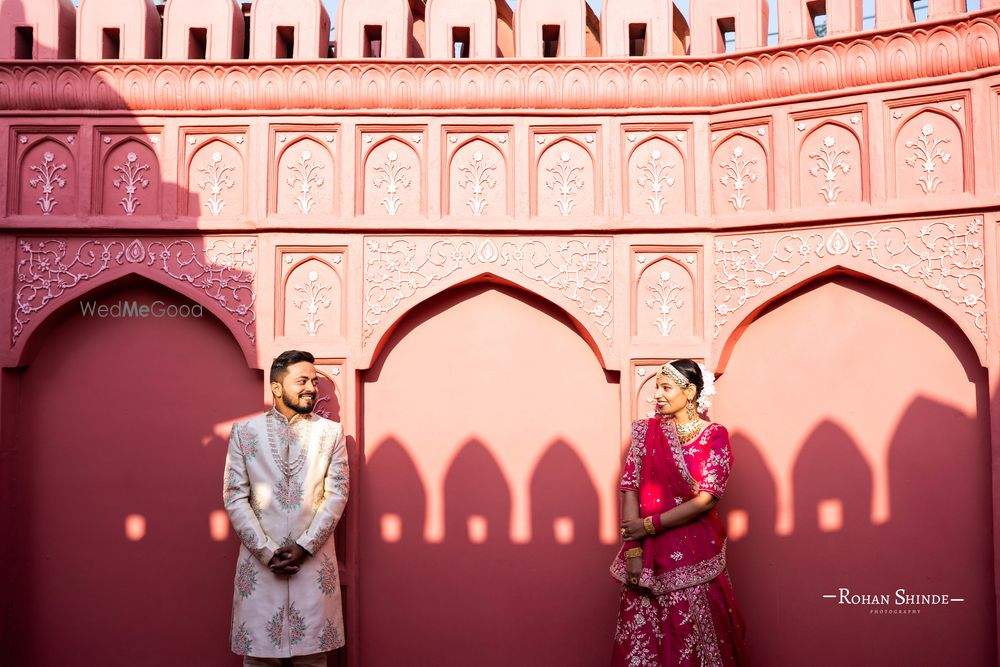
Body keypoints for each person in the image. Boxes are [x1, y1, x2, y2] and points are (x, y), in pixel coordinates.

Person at [610, 359, 747, 666]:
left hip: (694, 552)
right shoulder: (646, 434)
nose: (656, 394)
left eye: (665, 387)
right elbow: (630, 484)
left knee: (694, 635)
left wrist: (648, 526)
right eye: (656, 387)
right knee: (644, 638)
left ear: (689, 392)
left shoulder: (713, 435)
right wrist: (633, 550)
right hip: (647, 558)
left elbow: (708, 498)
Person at [224, 350, 350, 666]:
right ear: (277, 388)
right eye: (302, 381)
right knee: (258, 660)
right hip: (260, 565)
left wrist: (305, 547)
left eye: (314, 381)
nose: (311, 388)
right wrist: (266, 551)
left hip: (312, 562)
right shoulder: (245, 433)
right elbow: (234, 496)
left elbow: (337, 494)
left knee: (312, 658)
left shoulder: (330, 433)